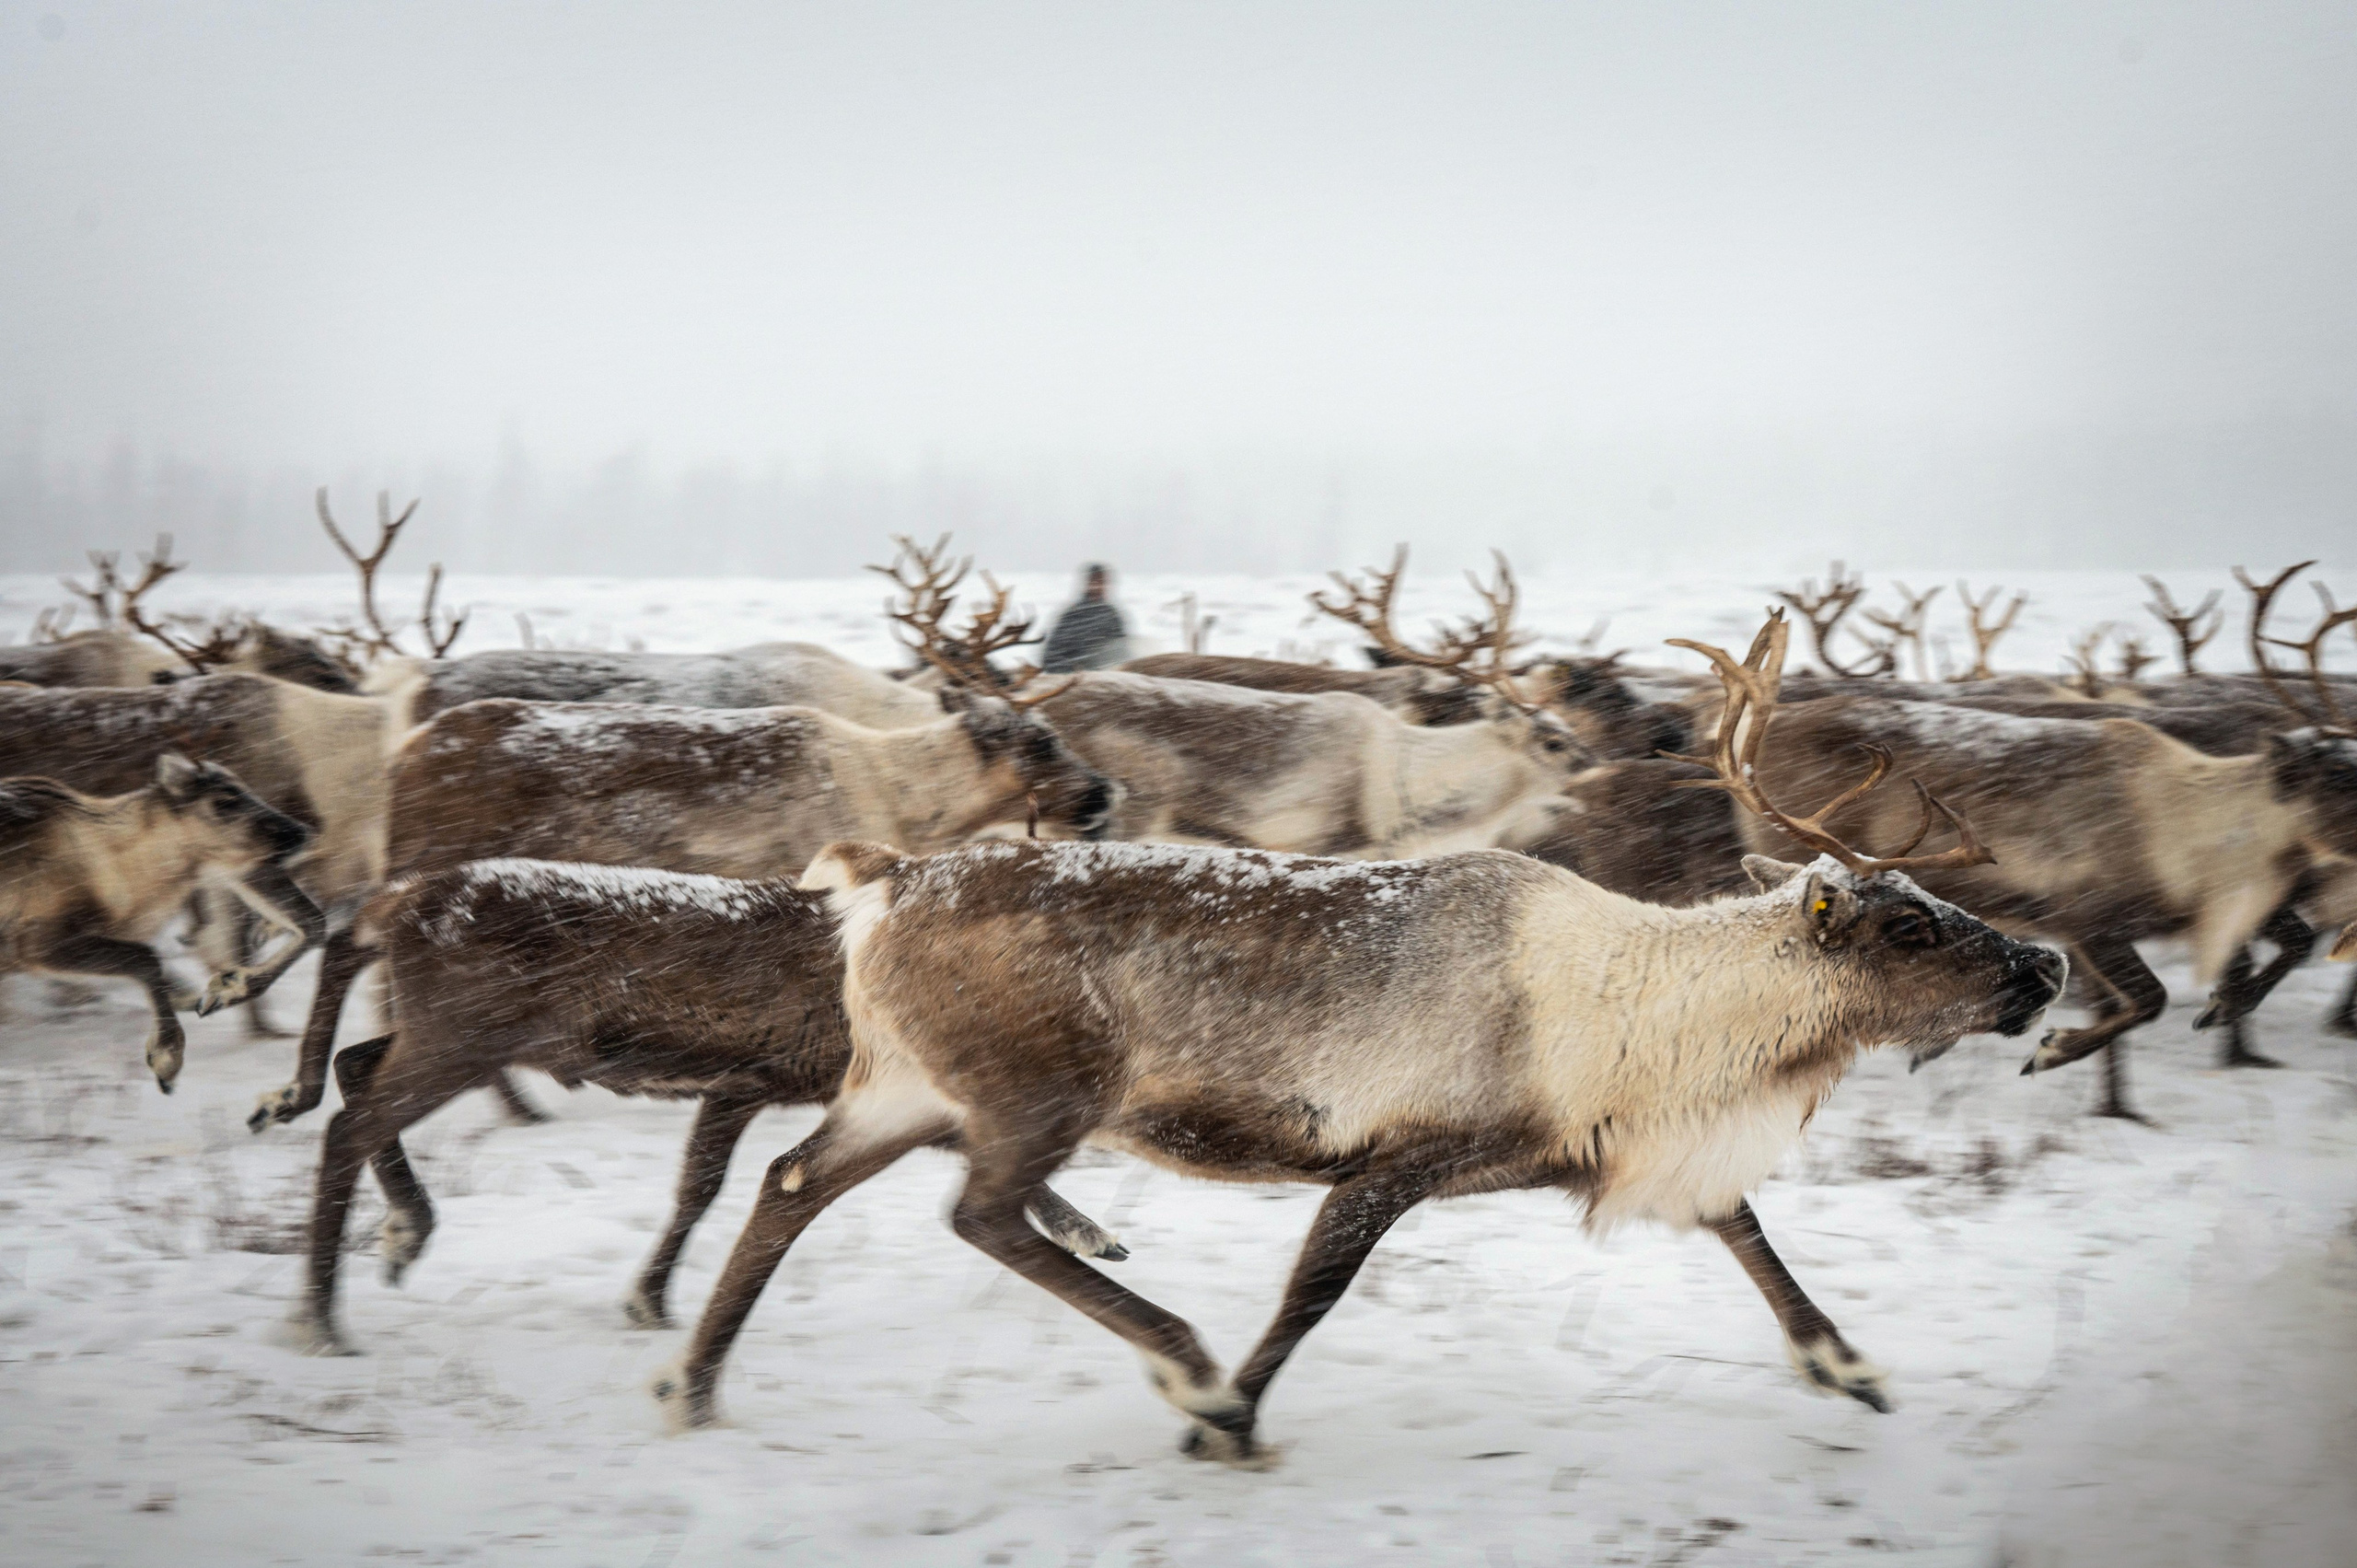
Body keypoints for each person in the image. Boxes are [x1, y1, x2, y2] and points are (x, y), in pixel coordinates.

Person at [1041, 563, 1129, 673]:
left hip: (1108, 679)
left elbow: (1123, 651)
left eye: (1102, 582)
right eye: (1095, 581)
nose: (1099, 586)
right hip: (1075, 681)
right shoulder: (1073, 615)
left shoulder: (1112, 616)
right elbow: (1051, 657)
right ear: (1088, 583)